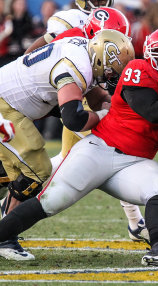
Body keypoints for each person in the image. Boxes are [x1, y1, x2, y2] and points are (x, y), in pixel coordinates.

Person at [0, 27, 158, 267]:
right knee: (51, 200)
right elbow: (154, 112)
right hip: (99, 151)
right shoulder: (138, 69)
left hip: (135, 161)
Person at [0, 29, 134, 259]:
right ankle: (4, 237)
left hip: (13, 101)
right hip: (6, 105)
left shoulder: (83, 49)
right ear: (101, 58)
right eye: (112, 71)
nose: (112, 77)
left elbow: (95, 96)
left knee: (15, 172)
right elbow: (74, 119)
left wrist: (113, 107)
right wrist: (103, 115)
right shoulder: (77, 67)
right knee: (37, 170)